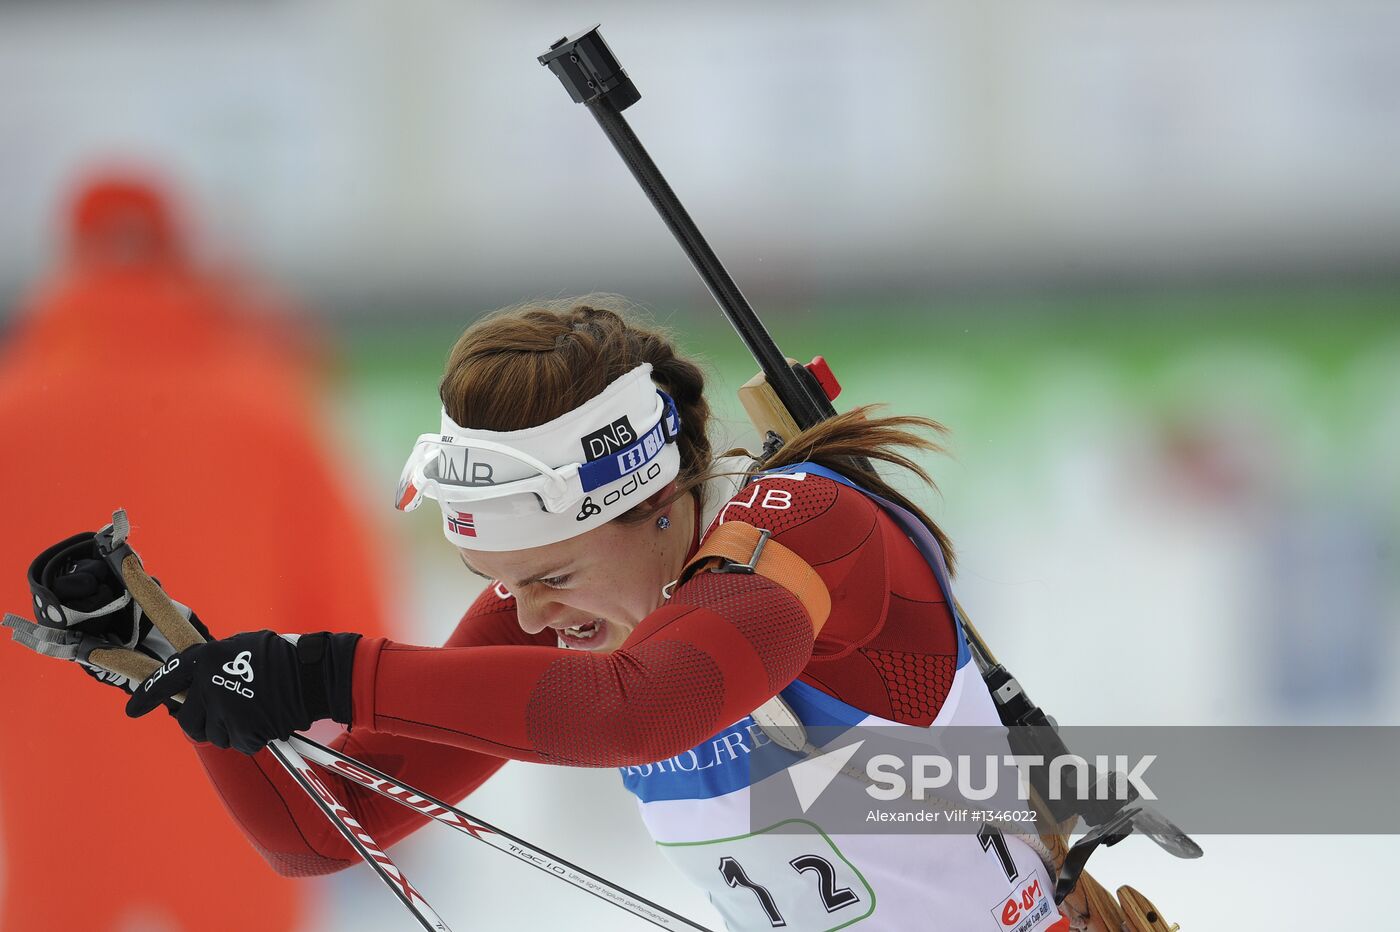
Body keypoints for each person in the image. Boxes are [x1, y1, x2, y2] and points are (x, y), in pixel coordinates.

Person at [24, 298, 1078, 930]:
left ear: (661, 504)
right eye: (503, 582)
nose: (529, 617)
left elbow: (641, 707)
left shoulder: (806, 530)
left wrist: (316, 669)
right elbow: (320, 829)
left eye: (554, 575)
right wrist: (194, 671)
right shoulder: (563, 600)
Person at [0, 171, 393, 932]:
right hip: (235, 735)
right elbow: (348, 598)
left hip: (55, 761)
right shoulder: (266, 403)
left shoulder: (12, 413)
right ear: (182, 249)